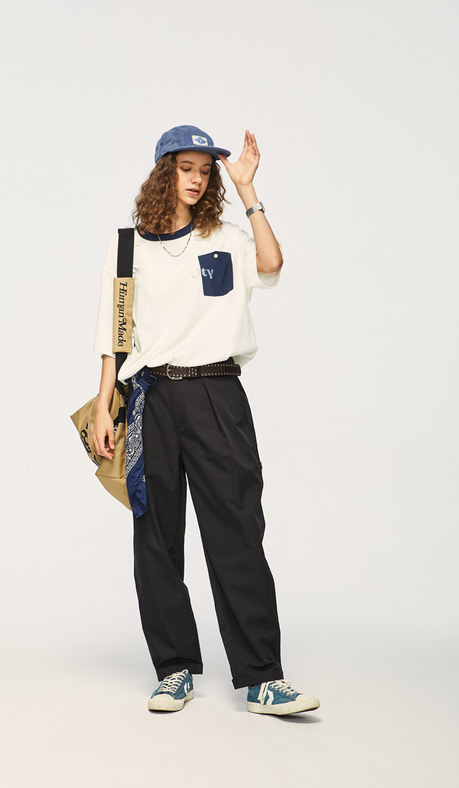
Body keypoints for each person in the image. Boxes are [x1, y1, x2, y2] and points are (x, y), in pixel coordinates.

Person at [93, 125, 319, 716]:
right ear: (163, 172)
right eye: (185, 167)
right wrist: (103, 406)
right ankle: (174, 669)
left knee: (236, 529)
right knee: (156, 536)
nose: (196, 179)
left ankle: (263, 678)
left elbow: (272, 263)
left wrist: (247, 189)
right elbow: (115, 336)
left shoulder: (227, 236)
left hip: (217, 393)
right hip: (151, 399)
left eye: (204, 170)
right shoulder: (128, 249)